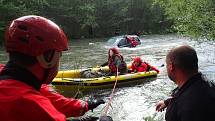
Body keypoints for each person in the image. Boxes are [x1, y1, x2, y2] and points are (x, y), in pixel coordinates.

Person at [0, 15, 109, 121]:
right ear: (48, 58)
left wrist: (86, 105)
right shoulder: (32, 104)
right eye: (59, 56)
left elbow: (55, 101)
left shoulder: (20, 80)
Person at [155, 45, 215, 121]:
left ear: (171, 66)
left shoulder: (181, 106)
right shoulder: (208, 84)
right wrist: (167, 102)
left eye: (167, 65)